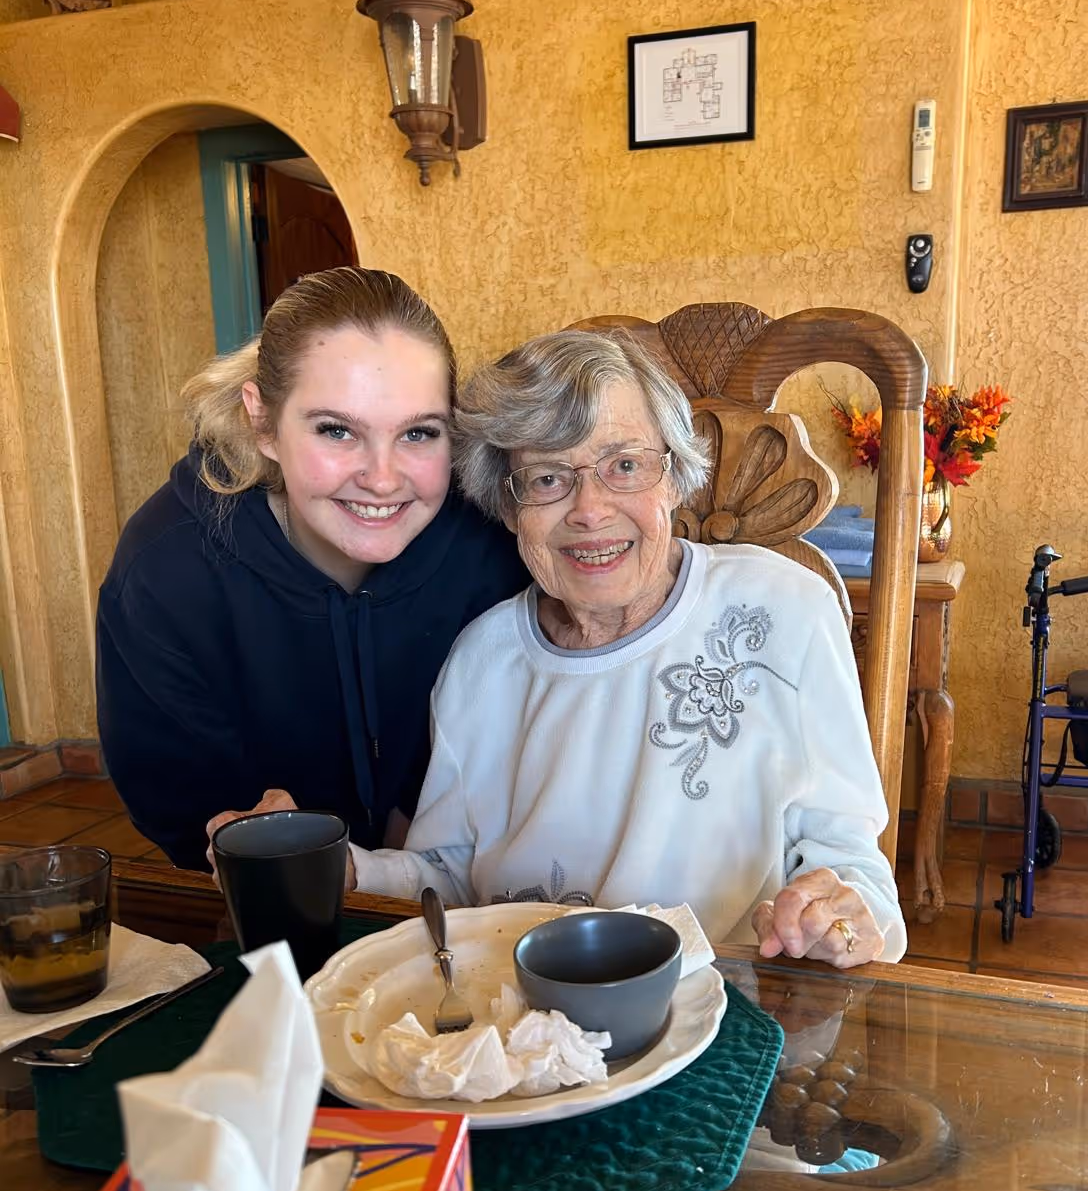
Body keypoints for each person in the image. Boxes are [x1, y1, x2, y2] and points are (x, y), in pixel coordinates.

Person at [214, 328, 905, 965]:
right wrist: (343, 870)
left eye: (624, 465)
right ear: (509, 506)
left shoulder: (784, 611)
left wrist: (839, 915)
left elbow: (854, 870)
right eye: (548, 478)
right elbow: (448, 876)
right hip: (518, 1030)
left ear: (672, 475)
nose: (590, 509)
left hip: (719, 1023)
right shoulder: (481, 662)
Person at [97, 267, 528, 871]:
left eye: (418, 433)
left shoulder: (486, 539)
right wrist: (250, 833)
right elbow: (175, 794)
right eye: (336, 430)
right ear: (262, 421)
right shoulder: (168, 567)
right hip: (271, 896)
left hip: (459, 885)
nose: (382, 477)